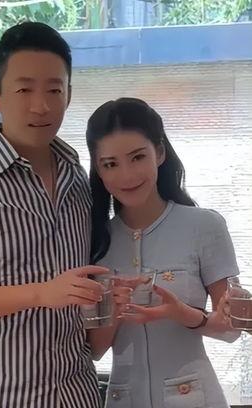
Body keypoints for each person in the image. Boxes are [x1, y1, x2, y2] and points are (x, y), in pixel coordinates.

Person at [0, 21, 126, 408]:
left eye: (54, 90)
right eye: (24, 89)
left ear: (68, 95)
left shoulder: (77, 177)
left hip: (75, 392)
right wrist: (41, 293)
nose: (41, 105)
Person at [85, 97, 241, 407]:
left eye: (137, 157)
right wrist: (113, 309)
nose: (127, 175)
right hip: (124, 398)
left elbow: (231, 330)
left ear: (159, 152)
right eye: (111, 164)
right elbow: (95, 351)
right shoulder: (95, 240)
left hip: (194, 397)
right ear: (98, 170)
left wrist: (182, 313)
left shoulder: (204, 226)